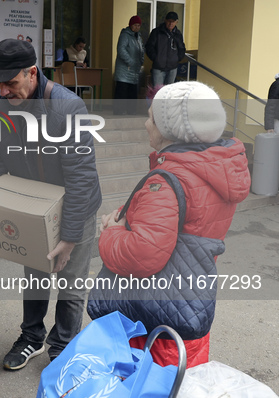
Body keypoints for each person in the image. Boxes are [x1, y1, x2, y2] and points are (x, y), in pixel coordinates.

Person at [95, 81, 250, 368]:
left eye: (151, 117)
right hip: (190, 304)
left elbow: (142, 252)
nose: (145, 124)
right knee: (184, 380)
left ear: (170, 130)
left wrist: (110, 233)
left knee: (153, 382)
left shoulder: (169, 179)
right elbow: (187, 215)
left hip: (157, 321)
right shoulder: (211, 168)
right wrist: (129, 213)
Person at [0, 38, 101, 369]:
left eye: (11, 83)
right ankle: (31, 337)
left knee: (71, 283)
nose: (3, 91)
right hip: (34, 209)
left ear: (32, 73)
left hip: (77, 205)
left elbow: (80, 177)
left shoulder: (68, 107)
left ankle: (62, 347)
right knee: (35, 276)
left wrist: (70, 237)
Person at [113, 15, 144, 115]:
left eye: (138, 25)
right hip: (125, 69)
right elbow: (121, 50)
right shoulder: (125, 35)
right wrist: (130, 61)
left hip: (134, 70)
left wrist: (141, 61)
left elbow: (141, 50)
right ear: (130, 25)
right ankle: (119, 111)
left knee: (132, 91)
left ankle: (131, 111)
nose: (137, 27)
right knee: (122, 90)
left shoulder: (138, 37)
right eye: (135, 25)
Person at [145, 11, 185, 86]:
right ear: (165, 20)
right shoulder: (156, 32)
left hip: (172, 68)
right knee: (157, 92)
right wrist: (156, 58)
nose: (170, 24)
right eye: (169, 21)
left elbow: (182, 48)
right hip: (158, 68)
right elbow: (149, 47)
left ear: (177, 22)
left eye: (173, 22)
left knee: (169, 93)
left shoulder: (178, 34)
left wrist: (176, 59)